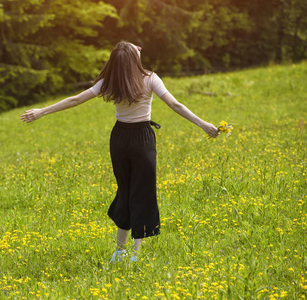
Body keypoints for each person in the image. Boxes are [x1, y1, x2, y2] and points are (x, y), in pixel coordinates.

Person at [20, 41, 219, 263]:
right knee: (141, 192)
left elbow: (76, 99)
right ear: (133, 58)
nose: (141, 49)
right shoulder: (150, 78)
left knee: (125, 190)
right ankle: (134, 254)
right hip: (142, 139)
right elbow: (175, 105)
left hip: (119, 139)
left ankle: (119, 251)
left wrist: (42, 111)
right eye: (137, 49)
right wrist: (203, 124)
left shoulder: (109, 81)